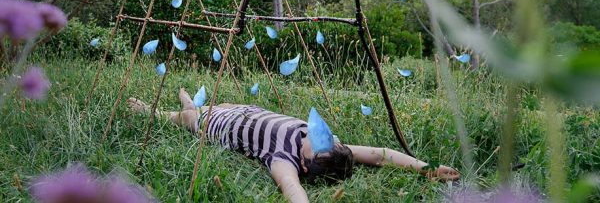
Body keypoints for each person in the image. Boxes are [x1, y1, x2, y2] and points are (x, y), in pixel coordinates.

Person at [127, 89, 459, 203]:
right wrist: (425, 169)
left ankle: (155, 111)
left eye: (311, 143)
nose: (311, 136)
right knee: (213, 102)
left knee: (188, 118)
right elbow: (380, 154)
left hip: (219, 126)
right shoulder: (334, 146)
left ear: (305, 165)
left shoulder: (283, 161)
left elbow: (293, 191)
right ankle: (189, 100)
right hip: (247, 110)